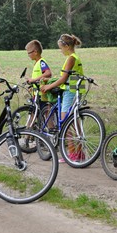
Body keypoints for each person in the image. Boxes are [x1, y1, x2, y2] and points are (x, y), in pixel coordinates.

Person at [40, 34, 84, 163]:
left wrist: (48, 87)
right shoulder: (74, 57)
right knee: (74, 125)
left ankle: (72, 154)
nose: (60, 50)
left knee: (66, 124)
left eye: (61, 48)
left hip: (71, 92)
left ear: (66, 46)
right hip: (75, 91)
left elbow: (63, 79)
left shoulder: (71, 58)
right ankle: (79, 154)